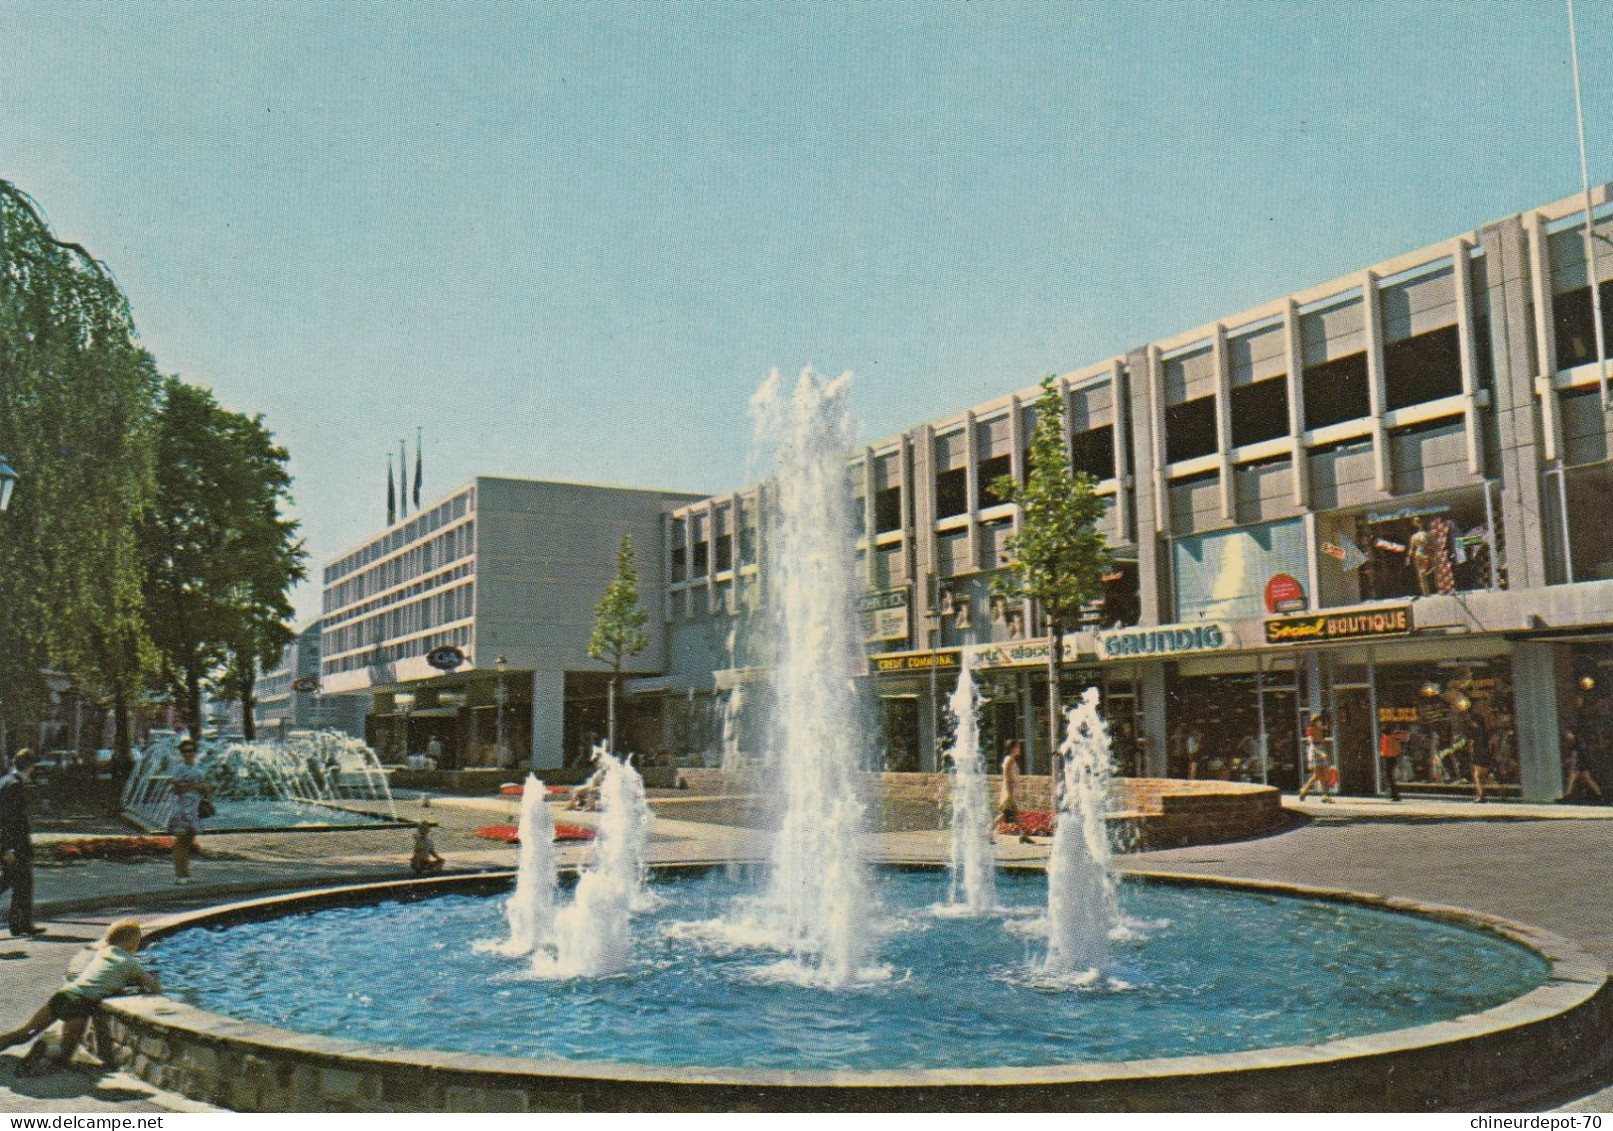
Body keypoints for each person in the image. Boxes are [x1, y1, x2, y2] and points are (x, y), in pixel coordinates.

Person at [0, 919, 160, 1074]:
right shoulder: (131, 963)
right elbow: (152, 984)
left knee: (25, 1032)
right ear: (134, 944)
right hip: (79, 1004)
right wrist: (155, 991)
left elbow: (106, 974)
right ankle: (45, 1050)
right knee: (65, 1055)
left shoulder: (102, 953)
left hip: (63, 994)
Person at [0, 751, 42, 938]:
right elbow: (10, 820)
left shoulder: (5, 781)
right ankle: (20, 924)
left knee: (19, 883)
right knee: (19, 883)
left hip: (12, 844)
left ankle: (21, 924)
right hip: (15, 845)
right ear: (29, 766)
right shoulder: (14, 785)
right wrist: (9, 849)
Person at [167, 738, 210, 885]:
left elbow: (205, 788)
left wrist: (204, 790)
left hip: (194, 809)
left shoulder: (198, 769)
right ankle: (179, 875)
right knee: (181, 841)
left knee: (188, 842)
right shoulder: (179, 769)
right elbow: (177, 789)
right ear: (181, 753)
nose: (188, 754)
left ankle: (185, 874)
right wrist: (195, 786)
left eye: (190, 751)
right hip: (182, 809)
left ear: (195, 752)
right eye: (185, 751)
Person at [1297, 712, 1335, 803]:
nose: (1320, 722)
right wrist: (1320, 753)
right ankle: (1304, 791)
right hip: (1315, 752)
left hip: (1322, 750)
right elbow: (1312, 744)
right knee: (1317, 775)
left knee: (1326, 774)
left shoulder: (1321, 730)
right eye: (1318, 721)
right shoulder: (1310, 730)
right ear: (1314, 722)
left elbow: (1330, 727)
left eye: (1320, 720)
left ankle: (1325, 795)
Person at [1379, 729, 1405, 802]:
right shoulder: (1393, 739)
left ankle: (1394, 794)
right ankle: (1393, 793)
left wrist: (1383, 754)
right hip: (1392, 758)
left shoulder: (1387, 739)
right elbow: (1398, 750)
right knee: (1390, 776)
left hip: (1388, 758)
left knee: (1389, 776)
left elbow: (1385, 750)